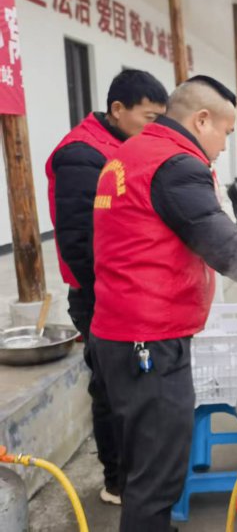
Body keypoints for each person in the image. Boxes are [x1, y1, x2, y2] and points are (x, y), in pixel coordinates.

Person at [90, 75, 237, 532]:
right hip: (149, 340)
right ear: (201, 120)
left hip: (117, 331)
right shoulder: (175, 164)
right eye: (226, 134)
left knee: (143, 468)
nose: (222, 147)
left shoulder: (130, 153)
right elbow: (225, 247)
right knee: (159, 477)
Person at [44, 68, 168, 506]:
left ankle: (137, 471)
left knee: (135, 382)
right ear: (118, 110)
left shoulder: (120, 145)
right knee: (111, 388)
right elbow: (80, 241)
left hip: (129, 291)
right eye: (150, 118)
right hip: (100, 296)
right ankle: (118, 480)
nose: (156, 128)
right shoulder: (81, 154)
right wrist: (110, 297)